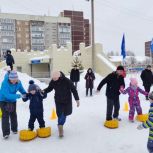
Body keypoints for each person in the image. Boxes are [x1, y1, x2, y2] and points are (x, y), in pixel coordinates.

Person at [43, 71, 80, 137]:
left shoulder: (67, 81)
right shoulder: (53, 81)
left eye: (55, 78)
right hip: (58, 100)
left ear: (59, 76)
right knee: (60, 114)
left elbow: (74, 90)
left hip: (67, 100)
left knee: (65, 113)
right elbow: (50, 88)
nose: (53, 79)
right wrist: (44, 91)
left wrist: (77, 99)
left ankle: (60, 124)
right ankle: (60, 127)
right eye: (53, 78)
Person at [0, 70, 26, 139]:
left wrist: (26, 95)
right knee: (5, 115)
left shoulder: (18, 82)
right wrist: (19, 96)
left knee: (13, 114)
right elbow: (6, 95)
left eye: (15, 80)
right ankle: (6, 133)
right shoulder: (4, 83)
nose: (14, 81)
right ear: (9, 78)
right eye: (12, 80)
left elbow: (22, 90)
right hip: (3, 100)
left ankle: (14, 129)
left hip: (13, 100)